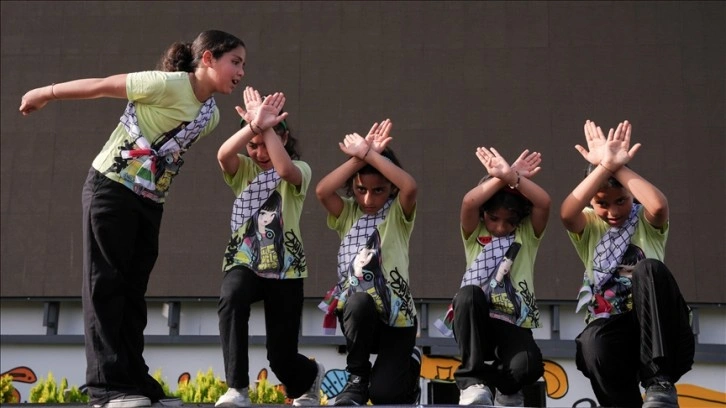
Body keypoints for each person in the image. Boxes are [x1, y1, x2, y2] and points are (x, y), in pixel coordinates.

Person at [18, 30, 246, 408]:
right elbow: (100, 87)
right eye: (234, 62)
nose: (240, 71)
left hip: (149, 201)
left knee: (132, 294)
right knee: (105, 287)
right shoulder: (165, 84)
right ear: (207, 58)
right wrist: (45, 92)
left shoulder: (211, 115)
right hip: (110, 188)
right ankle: (106, 389)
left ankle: (134, 383)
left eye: (243, 65)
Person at [560, 120, 694, 408]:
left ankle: (659, 383)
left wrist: (615, 165)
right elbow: (567, 213)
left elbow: (657, 206)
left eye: (621, 201)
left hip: (661, 335)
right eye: (602, 203)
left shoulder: (644, 221)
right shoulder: (592, 227)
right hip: (615, 334)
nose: (612, 211)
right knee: (590, 343)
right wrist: (602, 167)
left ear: (632, 197)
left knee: (649, 269)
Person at [214, 87, 324, 408]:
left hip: (286, 267)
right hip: (244, 261)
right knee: (232, 296)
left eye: (267, 144)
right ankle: (237, 388)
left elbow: (285, 171)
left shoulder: (299, 169)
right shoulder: (244, 171)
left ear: (283, 139)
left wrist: (266, 126)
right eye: (253, 146)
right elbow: (223, 155)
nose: (260, 152)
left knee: (280, 357)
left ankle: (307, 376)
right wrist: (253, 126)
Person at [316, 120, 421, 405]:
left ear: (390, 189)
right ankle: (357, 377)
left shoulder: (398, 215)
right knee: (357, 301)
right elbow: (323, 191)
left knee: (384, 395)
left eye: (378, 190)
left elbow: (409, 186)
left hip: (397, 320)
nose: (368, 198)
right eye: (361, 189)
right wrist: (359, 157)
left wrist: (372, 154)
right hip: (363, 317)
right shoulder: (349, 214)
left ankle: (409, 367)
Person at [434, 147, 550, 406]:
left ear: (520, 219)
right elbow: (469, 202)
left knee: (530, 367)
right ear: (484, 214)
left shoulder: (526, 236)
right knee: (468, 294)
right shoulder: (475, 233)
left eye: (509, 221)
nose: (499, 227)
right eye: (493, 218)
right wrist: (503, 177)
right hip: (477, 320)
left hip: (512, 322)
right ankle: (472, 382)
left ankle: (507, 388)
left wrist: (514, 179)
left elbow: (544, 203)